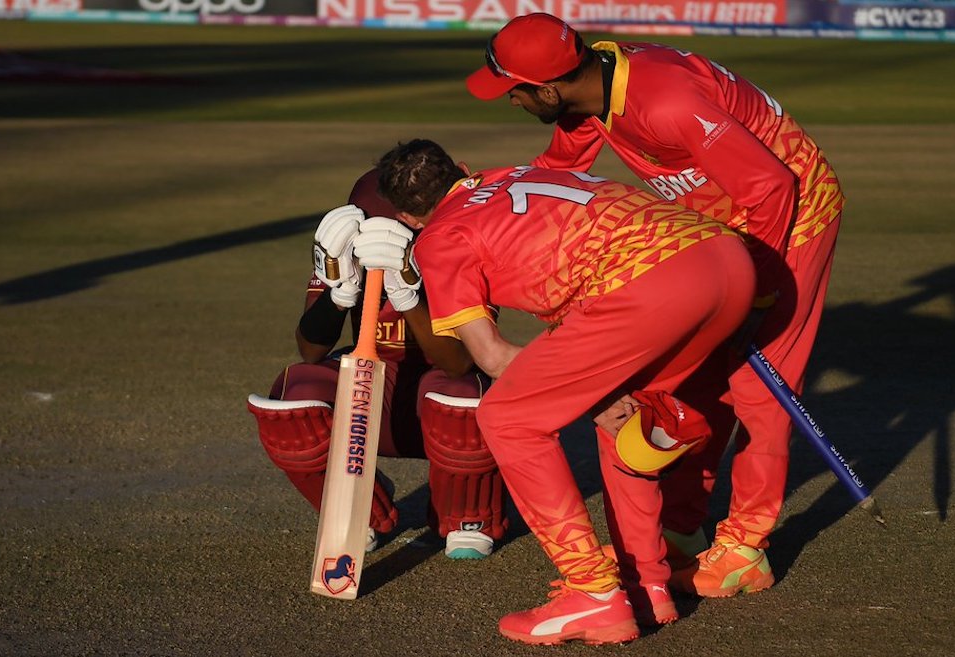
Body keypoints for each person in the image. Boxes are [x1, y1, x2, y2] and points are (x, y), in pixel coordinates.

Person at [466, 12, 846, 597]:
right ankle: (684, 525)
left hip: (789, 221)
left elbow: (773, 188)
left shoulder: (662, 100)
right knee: (695, 375)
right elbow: (558, 171)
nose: (510, 101)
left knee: (757, 385)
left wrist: (762, 294)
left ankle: (747, 547)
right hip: (722, 226)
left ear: (545, 88)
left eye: (512, 91)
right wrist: (475, 196)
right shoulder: (592, 87)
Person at [371, 139, 756, 645]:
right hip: (726, 258)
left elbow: (485, 355)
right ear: (463, 170)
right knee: (629, 420)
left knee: (508, 417)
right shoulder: (511, 172)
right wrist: (598, 399)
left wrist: (588, 399)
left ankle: (593, 591)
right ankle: (647, 584)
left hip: (648, 283)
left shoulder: (438, 237)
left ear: (408, 217)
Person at [246, 169, 507, 560]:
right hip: (374, 392)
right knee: (293, 402)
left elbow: (458, 363)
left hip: (438, 390)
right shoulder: (346, 249)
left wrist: (407, 294)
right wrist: (339, 291)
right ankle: (357, 512)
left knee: (460, 403)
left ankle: (469, 517)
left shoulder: (464, 248)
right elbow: (311, 351)